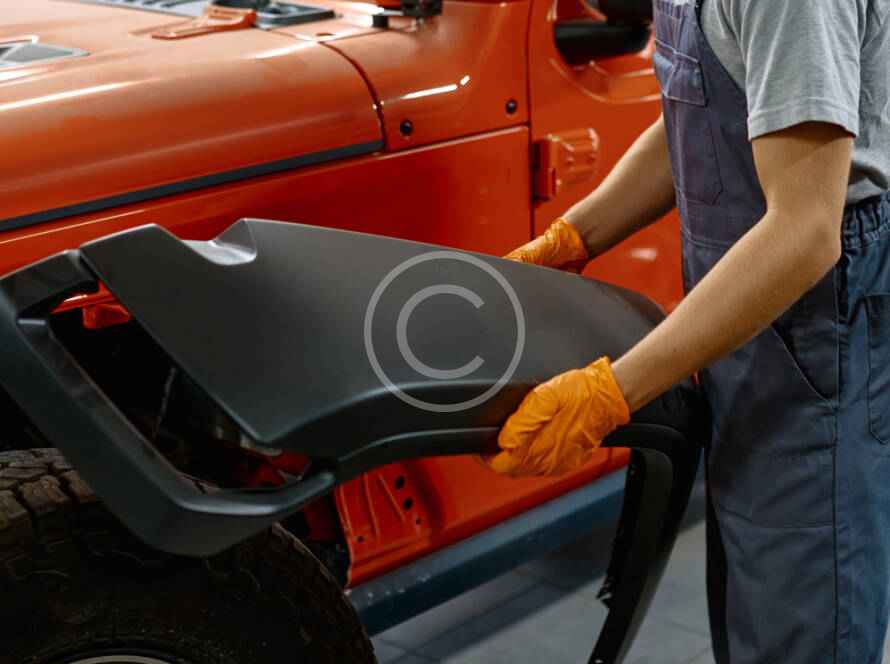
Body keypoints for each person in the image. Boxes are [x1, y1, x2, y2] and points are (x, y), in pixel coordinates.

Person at [489, 1, 890, 662]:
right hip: (749, 325)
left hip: (814, 327)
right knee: (753, 597)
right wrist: (573, 239)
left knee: (804, 609)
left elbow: (805, 233)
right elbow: (702, 119)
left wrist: (611, 394)